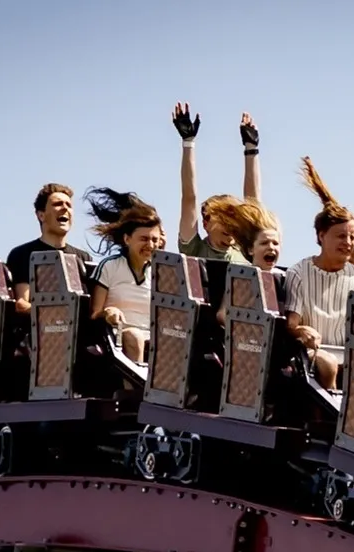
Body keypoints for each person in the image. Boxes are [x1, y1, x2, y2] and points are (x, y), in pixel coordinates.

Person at [283, 157, 354, 388]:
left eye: (352, 237)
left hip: (349, 355)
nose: (348, 242)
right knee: (328, 363)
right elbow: (292, 325)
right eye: (341, 236)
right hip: (310, 354)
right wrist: (302, 330)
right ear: (321, 236)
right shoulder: (298, 272)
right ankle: (327, 420)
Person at [85, 188, 164, 363]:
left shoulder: (162, 273)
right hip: (119, 337)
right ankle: (134, 390)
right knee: (134, 337)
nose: (150, 245)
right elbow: (94, 313)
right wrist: (108, 312)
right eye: (144, 239)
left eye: (154, 240)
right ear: (127, 239)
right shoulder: (110, 266)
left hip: (153, 336)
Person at [173, 102, 256, 263]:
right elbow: (189, 198)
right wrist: (188, 142)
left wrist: (251, 148)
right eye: (225, 230)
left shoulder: (246, 250)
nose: (230, 235)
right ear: (206, 224)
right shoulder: (194, 248)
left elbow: (253, 205)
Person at [6, 183, 92, 311]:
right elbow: (22, 303)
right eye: (58, 204)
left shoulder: (83, 257)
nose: (65, 208)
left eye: (69, 205)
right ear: (41, 215)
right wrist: (55, 314)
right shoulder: (23, 254)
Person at [203, 197, 283, 272]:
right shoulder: (241, 277)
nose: (271, 247)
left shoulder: (284, 277)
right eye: (264, 243)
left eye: (275, 243)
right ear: (250, 249)